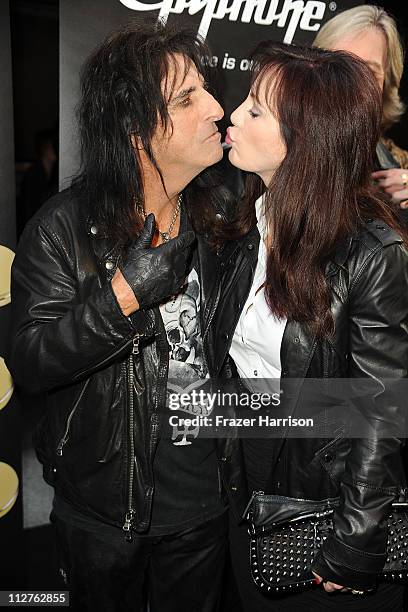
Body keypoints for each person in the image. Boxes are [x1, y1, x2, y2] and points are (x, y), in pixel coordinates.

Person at [6, 21, 246, 612]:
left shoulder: (227, 211)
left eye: (206, 90)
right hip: (104, 512)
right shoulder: (62, 229)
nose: (218, 106)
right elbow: (31, 362)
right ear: (135, 129)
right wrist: (122, 298)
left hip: (209, 504)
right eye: (188, 99)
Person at [208, 41, 408, 611]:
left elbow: (381, 408)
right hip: (241, 477)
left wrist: (354, 541)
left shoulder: (371, 251)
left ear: (304, 141)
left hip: (321, 502)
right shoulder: (244, 218)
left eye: (255, 110)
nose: (233, 116)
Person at [313, 5, 408, 216]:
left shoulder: (400, 165)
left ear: (386, 85)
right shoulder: (270, 149)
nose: (352, 83)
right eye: (338, 66)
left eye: (368, 72)